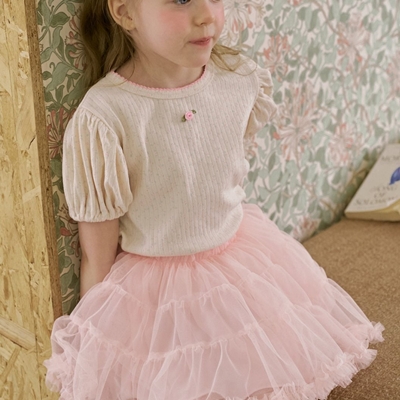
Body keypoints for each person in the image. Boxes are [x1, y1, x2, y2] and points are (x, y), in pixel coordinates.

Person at [44, 0, 384, 399]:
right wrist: (94, 350)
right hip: (157, 290)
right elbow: (97, 258)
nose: (208, 14)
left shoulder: (238, 78)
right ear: (125, 13)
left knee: (258, 366)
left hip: (241, 259)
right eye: (181, 0)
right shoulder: (106, 115)